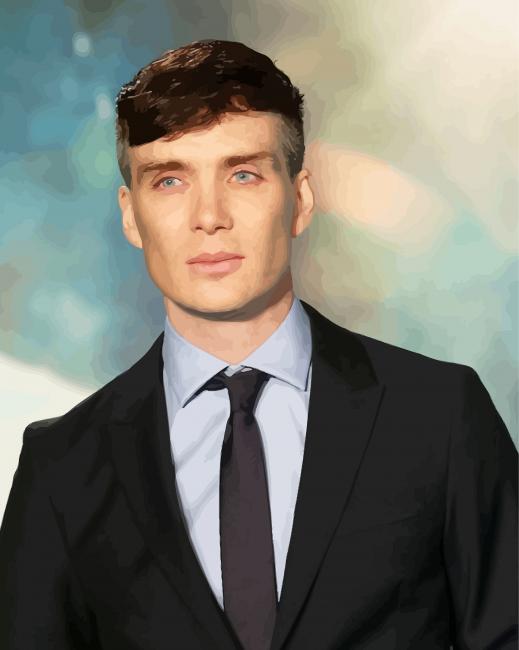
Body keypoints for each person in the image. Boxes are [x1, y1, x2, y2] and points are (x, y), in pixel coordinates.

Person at [0, 38, 516, 650]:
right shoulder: (62, 466)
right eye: (169, 180)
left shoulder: (439, 417)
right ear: (131, 215)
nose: (209, 215)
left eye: (242, 174)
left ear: (300, 199)